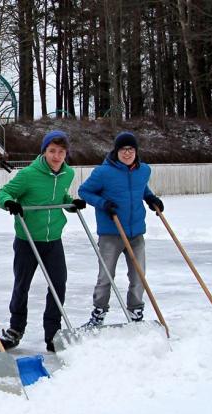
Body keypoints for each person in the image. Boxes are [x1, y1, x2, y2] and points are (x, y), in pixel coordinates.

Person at [0, 130, 86, 352]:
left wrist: (71, 203)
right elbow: (4, 192)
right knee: (22, 285)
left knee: (58, 285)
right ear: (44, 151)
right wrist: (9, 203)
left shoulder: (67, 174)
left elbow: (61, 196)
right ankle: (16, 328)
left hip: (53, 240)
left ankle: (52, 333)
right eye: (52, 151)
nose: (56, 156)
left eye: (61, 152)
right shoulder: (28, 174)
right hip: (27, 239)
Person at [77, 132, 164, 326]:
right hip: (111, 233)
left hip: (136, 233)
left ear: (136, 151)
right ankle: (98, 313)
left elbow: (141, 188)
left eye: (131, 149)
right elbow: (84, 191)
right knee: (106, 276)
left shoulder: (144, 170)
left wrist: (150, 198)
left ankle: (136, 313)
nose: (127, 153)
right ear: (116, 151)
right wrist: (103, 203)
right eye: (123, 149)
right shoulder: (103, 172)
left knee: (138, 276)